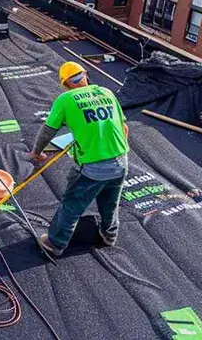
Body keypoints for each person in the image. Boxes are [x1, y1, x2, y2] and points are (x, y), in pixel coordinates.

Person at [29, 61, 129, 255]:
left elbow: (47, 131)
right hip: (121, 161)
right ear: (85, 76)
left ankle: (55, 244)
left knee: (71, 205)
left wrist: (37, 152)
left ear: (66, 84)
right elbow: (124, 128)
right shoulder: (106, 92)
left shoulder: (65, 99)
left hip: (93, 167)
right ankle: (109, 236)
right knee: (110, 202)